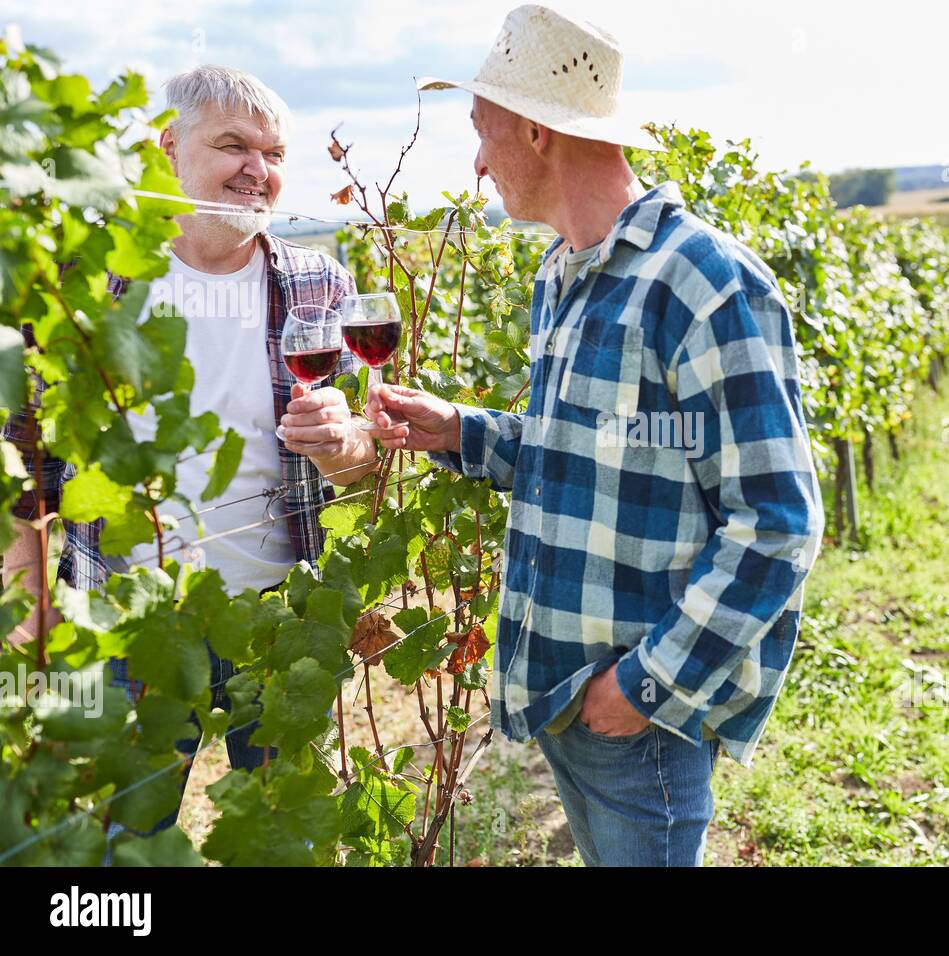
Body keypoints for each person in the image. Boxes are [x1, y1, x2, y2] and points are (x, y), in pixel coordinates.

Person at [366, 4, 824, 866]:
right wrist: (458, 431)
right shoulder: (564, 273)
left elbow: (779, 524)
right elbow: (586, 454)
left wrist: (642, 689)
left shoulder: (702, 281)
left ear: (537, 132)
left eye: (482, 129)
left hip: (637, 716)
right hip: (564, 697)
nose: (474, 160)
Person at [1, 65, 376, 850]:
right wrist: (32, 620)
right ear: (168, 147)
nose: (258, 169)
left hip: (276, 624)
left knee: (282, 844)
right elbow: (26, 463)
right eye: (233, 145)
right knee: (118, 846)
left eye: (274, 153)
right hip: (129, 625)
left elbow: (357, 460)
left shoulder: (318, 284)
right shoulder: (88, 282)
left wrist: (346, 442)